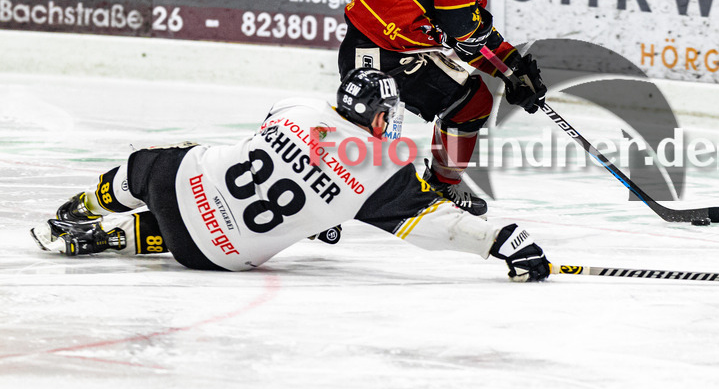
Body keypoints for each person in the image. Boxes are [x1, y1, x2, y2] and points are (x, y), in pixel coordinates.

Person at [29, 69, 551, 282]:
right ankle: (116, 239)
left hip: (177, 189)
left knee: (156, 164)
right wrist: (499, 241)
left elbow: (275, 150)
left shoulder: (297, 108)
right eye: (387, 115)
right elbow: (438, 224)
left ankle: (84, 209)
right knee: (220, 225)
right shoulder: (382, 170)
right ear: (377, 118)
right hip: (213, 256)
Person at [339, 0, 548, 216]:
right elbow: (462, 27)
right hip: (382, 49)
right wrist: (509, 70)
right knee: (372, 138)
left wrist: (513, 69)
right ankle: (323, 196)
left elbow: (466, 36)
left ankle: (438, 187)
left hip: (386, 48)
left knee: (469, 102)